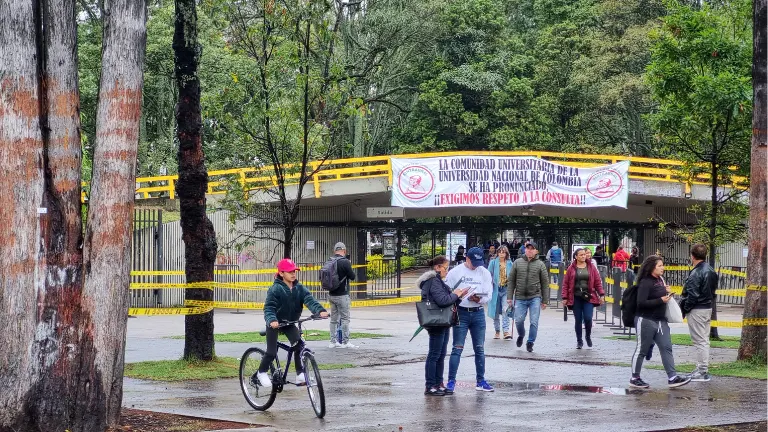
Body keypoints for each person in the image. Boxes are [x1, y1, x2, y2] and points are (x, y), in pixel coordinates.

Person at [255, 259, 329, 388]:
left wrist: (320, 311)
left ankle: (300, 374)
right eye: (289, 272)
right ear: (282, 273)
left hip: (290, 323)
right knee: (271, 352)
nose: (293, 274)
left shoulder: (299, 288)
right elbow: (269, 308)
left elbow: (310, 300)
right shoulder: (275, 289)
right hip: (275, 323)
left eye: (294, 271)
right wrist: (272, 320)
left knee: (299, 345)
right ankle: (261, 372)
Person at [629, 255, 691, 389]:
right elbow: (641, 303)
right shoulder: (645, 282)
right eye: (659, 265)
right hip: (646, 319)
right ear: (652, 267)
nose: (663, 268)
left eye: (662, 265)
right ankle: (635, 377)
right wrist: (660, 300)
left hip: (661, 320)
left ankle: (672, 377)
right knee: (641, 350)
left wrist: (667, 293)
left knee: (666, 347)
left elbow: (660, 294)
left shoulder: (660, 280)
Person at [445, 247, 494, 393]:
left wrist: (480, 299)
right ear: (467, 258)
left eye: (479, 262)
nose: (476, 265)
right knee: (457, 348)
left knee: (479, 348)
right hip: (461, 312)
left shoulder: (484, 272)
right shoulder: (455, 272)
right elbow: (447, 290)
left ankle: (481, 380)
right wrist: (457, 295)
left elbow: (489, 294)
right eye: (473, 262)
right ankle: (451, 381)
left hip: (477, 312)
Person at [416, 256, 467, 396]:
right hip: (436, 322)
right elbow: (443, 300)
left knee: (441, 354)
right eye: (445, 268)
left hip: (443, 321)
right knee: (434, 354)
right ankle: (430, 385)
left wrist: (458, 296)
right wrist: (456, 295)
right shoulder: (433, 281)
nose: (447, 271)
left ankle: (439, 383)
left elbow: (447, 299)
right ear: (437, 267)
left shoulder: (438, 281)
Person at [681, 243, 718, 382]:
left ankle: (702, 370)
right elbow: (713, 290)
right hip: (707, 307)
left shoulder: (696, 272)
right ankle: (701, 368)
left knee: (699, 341)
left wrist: (685, 308)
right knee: (704, 340)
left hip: (697, 309)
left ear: (692, 256)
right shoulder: (711, 270)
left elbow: (692, 294)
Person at [507, 241, 549, 353]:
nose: (529, 250)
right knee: (519, 320)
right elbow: (511, 280)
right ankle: (521, 334)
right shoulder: (517, 262)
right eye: (527, 248)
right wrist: (509, 296)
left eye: (532, 249)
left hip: (535, 296)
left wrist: (545, 300)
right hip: (520, 297)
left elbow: (545, 283)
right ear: (525, 250)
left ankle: (530, 342)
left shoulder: (540, 264)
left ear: (536, 251)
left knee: (534, 321)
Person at [561, 248, 605, 349]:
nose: (583, 256)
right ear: (576, 257)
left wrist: (601, 294)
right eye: (581, 255)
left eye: (584, 254)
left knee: (588, 318)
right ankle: (579, 341)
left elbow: (597, 282)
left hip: (588, 297)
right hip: (575, 297)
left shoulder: (591, 267)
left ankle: (588, 336)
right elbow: (565, 283)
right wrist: (564, 297)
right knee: (578, 320)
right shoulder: (571, 268)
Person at [328, 242, 357, 348]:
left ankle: (332, 341)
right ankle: (345, 342)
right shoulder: (345, 262)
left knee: (333, 319)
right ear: (344, 251)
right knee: (345, 318)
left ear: (334, 251)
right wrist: (349, 264)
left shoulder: (329, 261)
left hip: (331, 295)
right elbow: (352, 276)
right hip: (342, 295)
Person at [487, 246, 513, 340]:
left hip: (506, 289)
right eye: (500, 252)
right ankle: (497, 331)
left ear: (506, 253)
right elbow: (488, 275)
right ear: (497, 253)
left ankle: (506, 331)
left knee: (505, 310)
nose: (501, 253)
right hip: (495, 289)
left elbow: (513, 276)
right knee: (496, 310)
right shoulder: (493, 262)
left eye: (503, 252)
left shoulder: (510, 263)